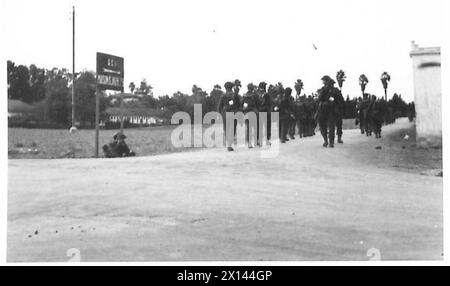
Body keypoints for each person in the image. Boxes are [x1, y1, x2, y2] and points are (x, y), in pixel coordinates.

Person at [315, 75, 338, 148]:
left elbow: (333, 99)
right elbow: (319, 99)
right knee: (322, 126)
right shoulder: (323, 89)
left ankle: (330, 142)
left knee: (331, 126)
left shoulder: (333, 90)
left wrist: (328, 102)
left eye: (324, 80)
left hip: (330, 110)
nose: (323, 82)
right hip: (323, 109)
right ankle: (326, 140)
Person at [218, 81, 241, 151]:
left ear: (225, 88)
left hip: (225, 113)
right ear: (231, 87)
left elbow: (219, 106)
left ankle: (228, 143)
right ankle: (229, 145)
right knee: (232, 128)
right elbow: (239, 104)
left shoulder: (223, 96)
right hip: (233, 113)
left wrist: (220, 113)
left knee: (226, 128)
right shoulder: (235, 95)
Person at [242, 83, 260, 148]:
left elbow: (242, 105)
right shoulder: (255, 95)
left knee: (248, 128)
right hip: (254, 112)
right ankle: (257, 141)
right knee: (256, 127)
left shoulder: (245, 95)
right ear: (252, 88)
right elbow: (258, 103)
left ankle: (249, 143)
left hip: (247, 113)